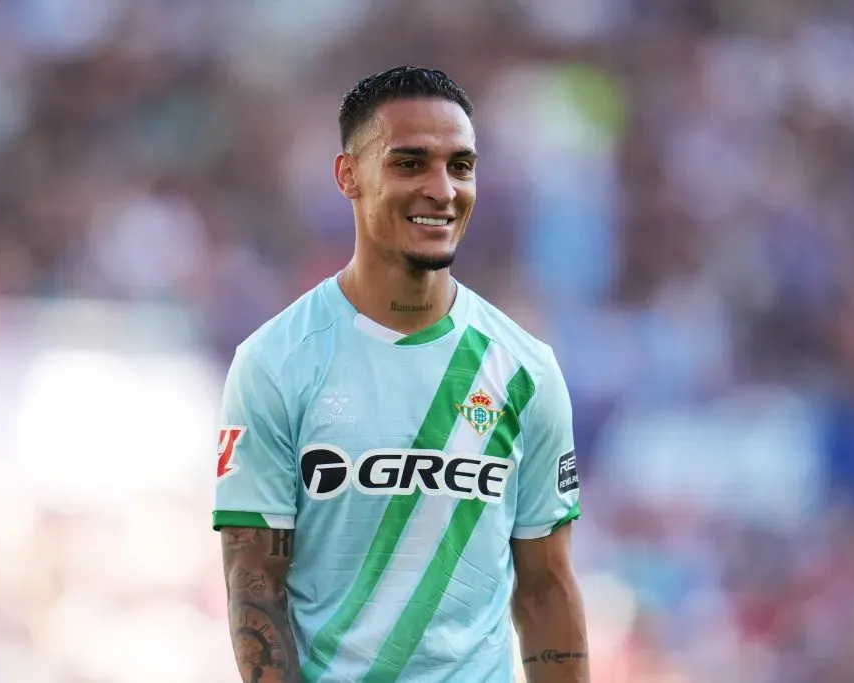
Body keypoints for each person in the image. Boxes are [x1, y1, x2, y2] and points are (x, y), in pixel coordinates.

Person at [213, 66, 589, 683]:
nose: (442, 189)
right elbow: (254, 587)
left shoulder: (525, 369)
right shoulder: (276, 362)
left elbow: (547, 587)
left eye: (460, 166)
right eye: (410, 164)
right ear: (348, 177)